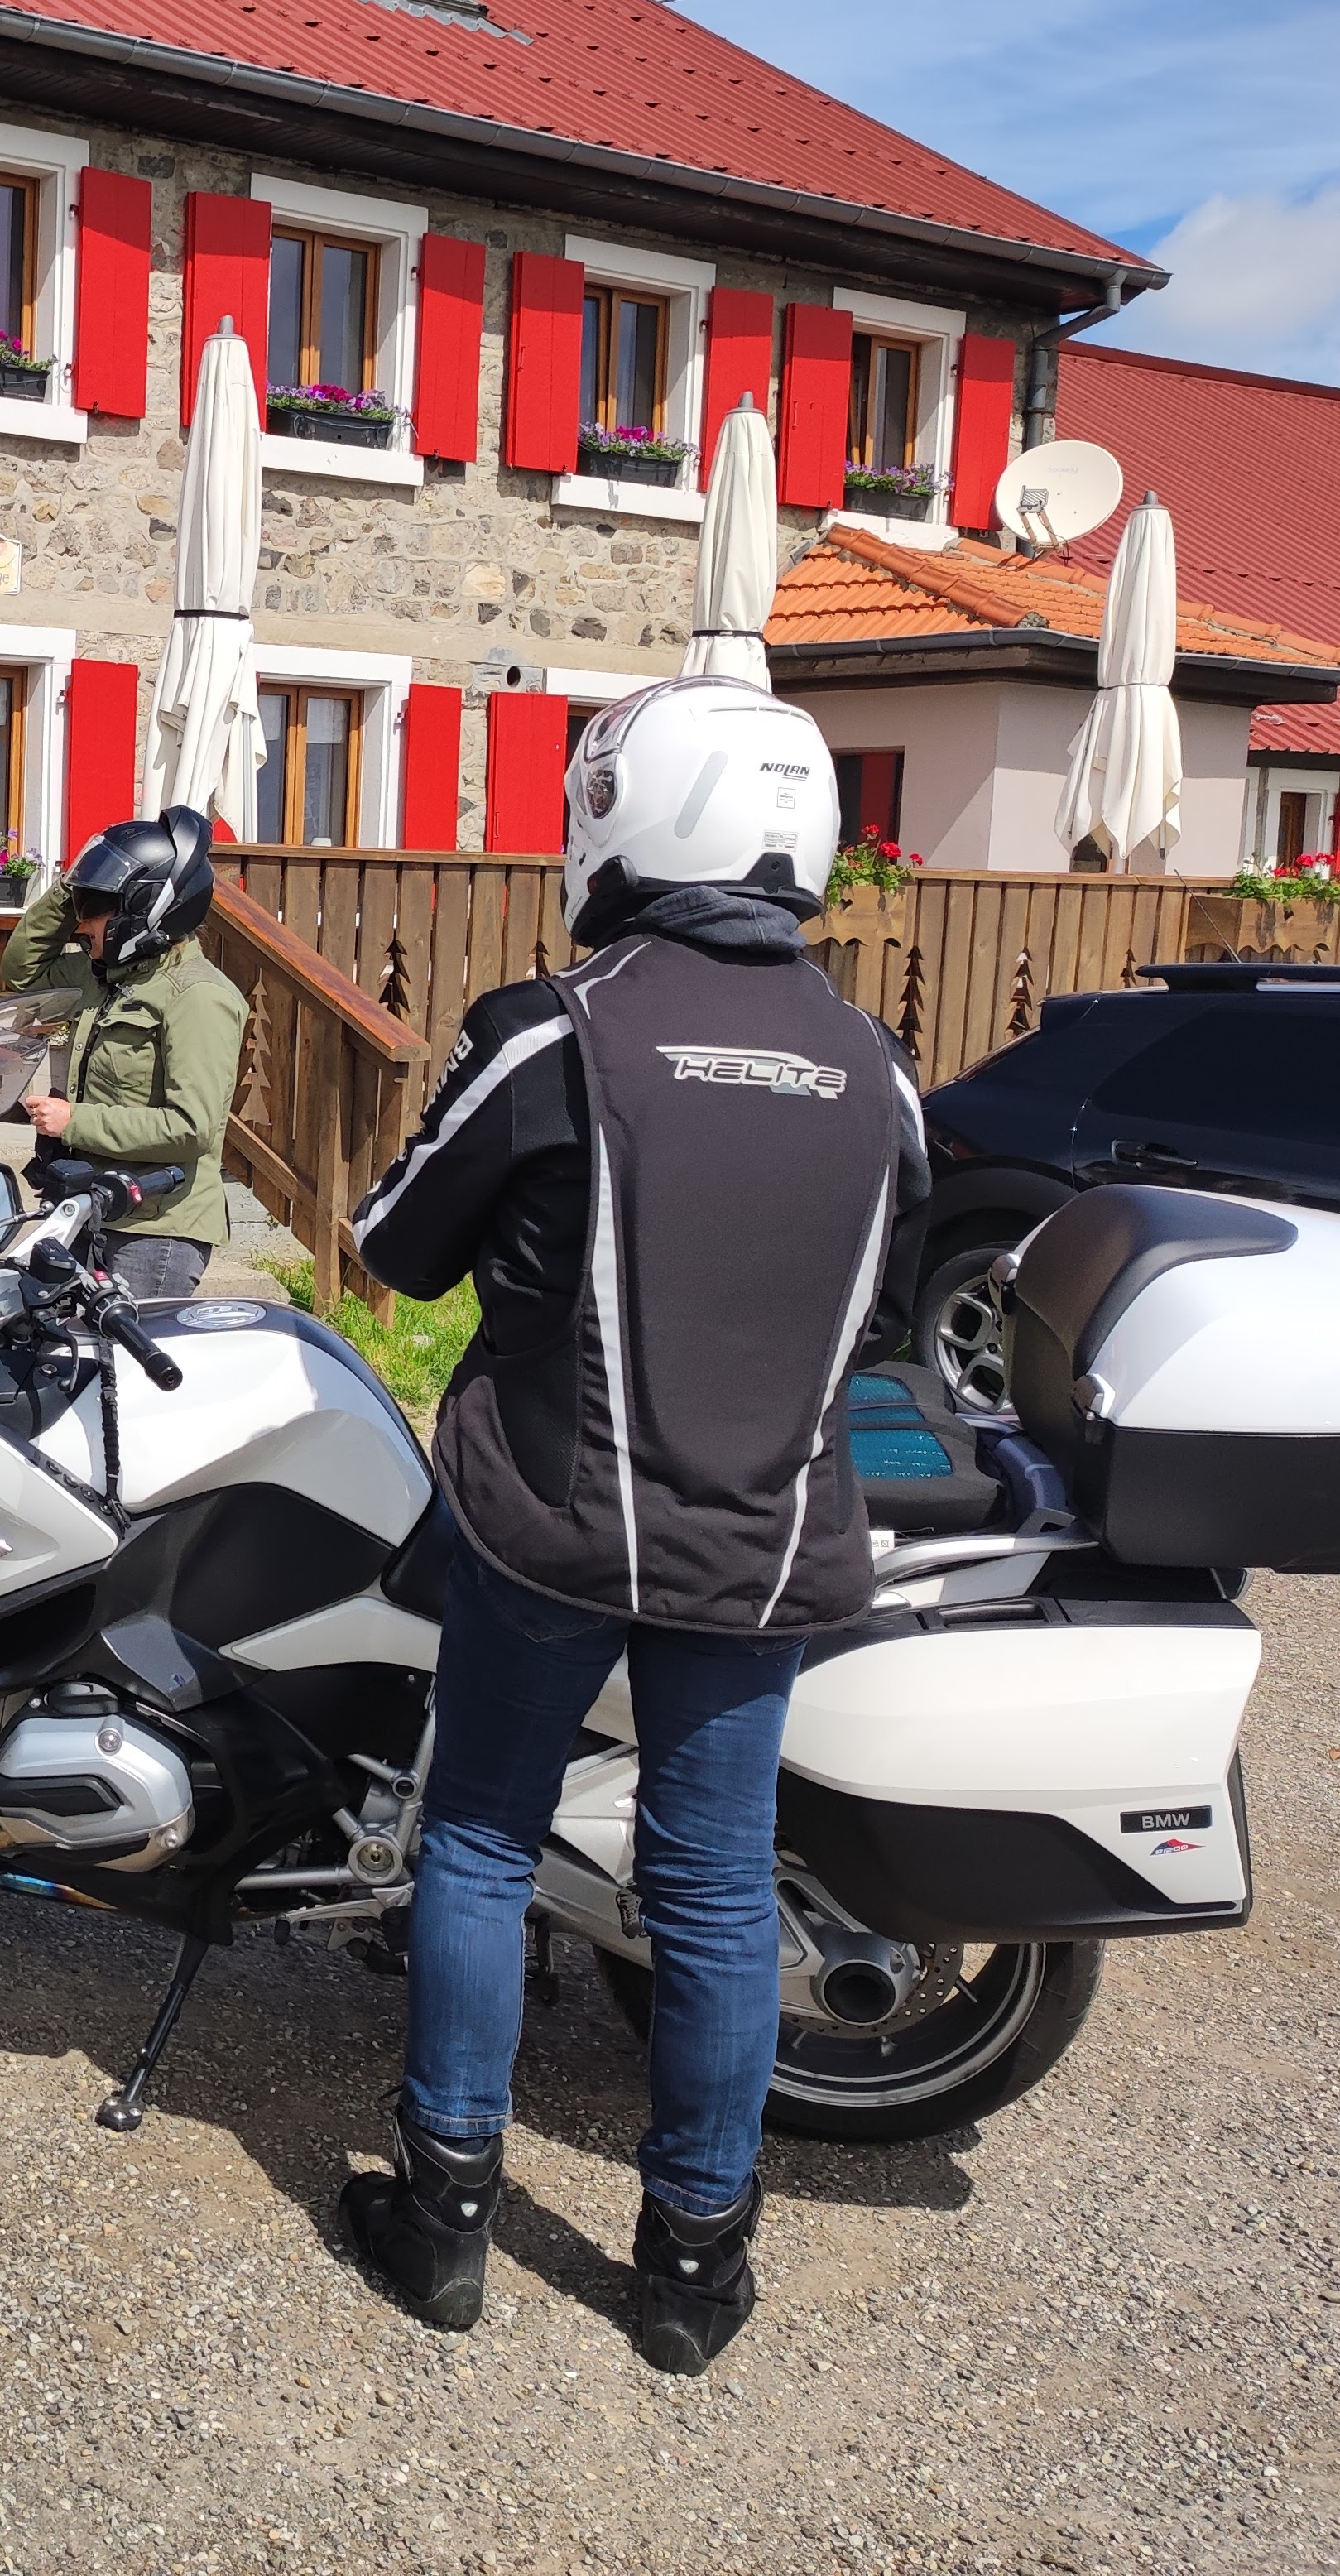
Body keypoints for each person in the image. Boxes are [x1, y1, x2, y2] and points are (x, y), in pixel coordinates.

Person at [337, 676, 925, 2374]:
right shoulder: (877, 1069)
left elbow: (393, 1243)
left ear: (625, 820)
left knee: (478, 1837)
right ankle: (693, 2270)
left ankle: (447, 2217)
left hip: (554, 1524)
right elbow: (882, 1313)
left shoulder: (553, 1028)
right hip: (761, 1541)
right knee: (718, 1885)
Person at [0, 809, 252, 1304]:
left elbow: (191, 1127)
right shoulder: (106, 975)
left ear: (147, 908)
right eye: (81, 905)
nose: (82, 922)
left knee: (131, 1354)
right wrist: (69, 889)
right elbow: (21, 975)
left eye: (95, 906)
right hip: (93, 1205)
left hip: (155, 1229)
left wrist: (75, 1122)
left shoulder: (198, 997)